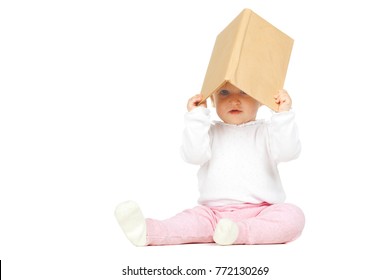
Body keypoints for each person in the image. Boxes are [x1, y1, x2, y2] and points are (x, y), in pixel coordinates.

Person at [115, 82, 305, 246]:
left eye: (244, 92)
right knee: (185, 222)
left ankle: (238, 233)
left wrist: (283, 116)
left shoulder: (268, 131)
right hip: (212, 215)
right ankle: (147, 231)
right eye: (224, 93)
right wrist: (197, 118)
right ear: (212, 100)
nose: (234, 100)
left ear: (261, 99)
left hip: (262, 212)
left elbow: (289, 152)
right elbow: (193, 155)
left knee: (293, 216)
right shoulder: (209, 132)